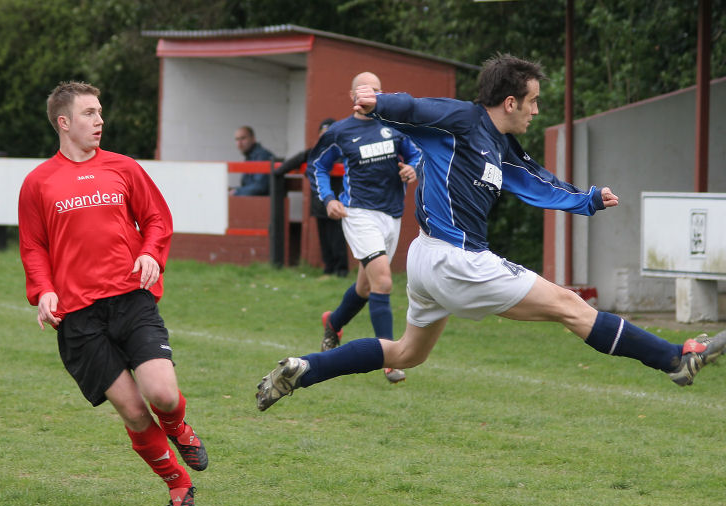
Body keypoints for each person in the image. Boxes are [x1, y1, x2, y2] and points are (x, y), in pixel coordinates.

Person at [256, 53, 726, 412]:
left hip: (431, 260)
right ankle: (674, 358)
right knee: (570, 305)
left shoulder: (501, 147)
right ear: (509, 101)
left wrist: (585, 200)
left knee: (406, 353)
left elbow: (534, 181)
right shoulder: (464, 120)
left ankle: (306, 368)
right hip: (453, 257)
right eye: (533, 100)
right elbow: (417, 108)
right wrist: (380, 103)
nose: (536, 110)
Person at [18, 81, 207, 506]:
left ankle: (179, 427)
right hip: (79, 316)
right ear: (64, 123)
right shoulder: (38, 183)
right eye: (89, 113)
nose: (99, 120)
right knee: (134, 412)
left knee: (161, 394)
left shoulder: (123, 168)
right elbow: (33, 246)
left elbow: (157, 218)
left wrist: (149, 254)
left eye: (100, 111)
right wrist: (43, 290)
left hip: (130, 300)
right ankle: (178, 483)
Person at [307, 72, 422, 384]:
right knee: (383, 281)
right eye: (361, 90)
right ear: (352, 95)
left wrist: (413, 168)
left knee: (365, 287)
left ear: (381, 95)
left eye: (374, 90)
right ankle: (390, 357)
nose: (366, 95)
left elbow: (416, 153)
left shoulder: (395, 126)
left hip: (392, 215)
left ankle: (334, 322)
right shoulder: (340, 131)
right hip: (358, 214)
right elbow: (315, 165)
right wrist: (328, 198)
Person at [272, 118, 348, 276]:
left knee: (337, 238)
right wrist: (277, 172)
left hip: (338, 203)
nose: (324, 137)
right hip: (320, 204)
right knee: (324, 239)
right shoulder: (313, 152)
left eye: (328, 134)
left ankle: (341, 271)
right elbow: (293, 162)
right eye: (322, 134)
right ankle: (328, 270)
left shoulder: (343, 152)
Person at [231, 125, 275, 196]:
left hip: (264, 204)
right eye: (237, 139)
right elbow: (249, 186)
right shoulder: (251, 157)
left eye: (243, 138)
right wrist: (234, 190)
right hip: (257, 202)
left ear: (253, 139)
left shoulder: (262, 156)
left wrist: (237, 192)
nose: (239, 143)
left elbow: (260, 187)